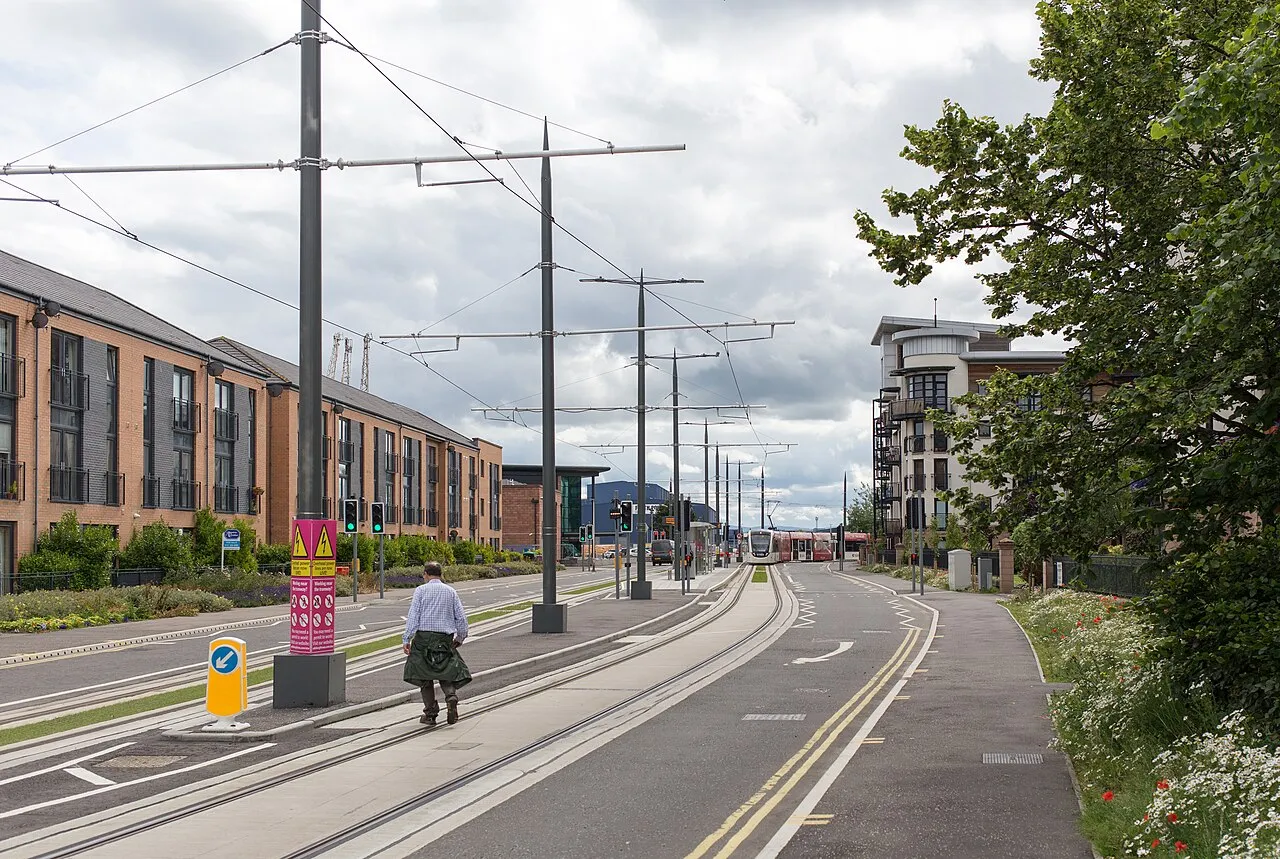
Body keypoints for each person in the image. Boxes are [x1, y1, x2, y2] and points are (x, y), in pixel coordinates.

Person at [402, 562, 471, 726]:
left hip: (423, 639)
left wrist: (406, 639)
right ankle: (450, 696)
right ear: (440, 574)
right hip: (444, 639)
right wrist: (460, 638)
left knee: (423, 675)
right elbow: (461, 618)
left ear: (426, 574)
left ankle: (430, 713)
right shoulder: (451, 592)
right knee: (445, 670)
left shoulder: (420, 591)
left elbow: (413, 617)